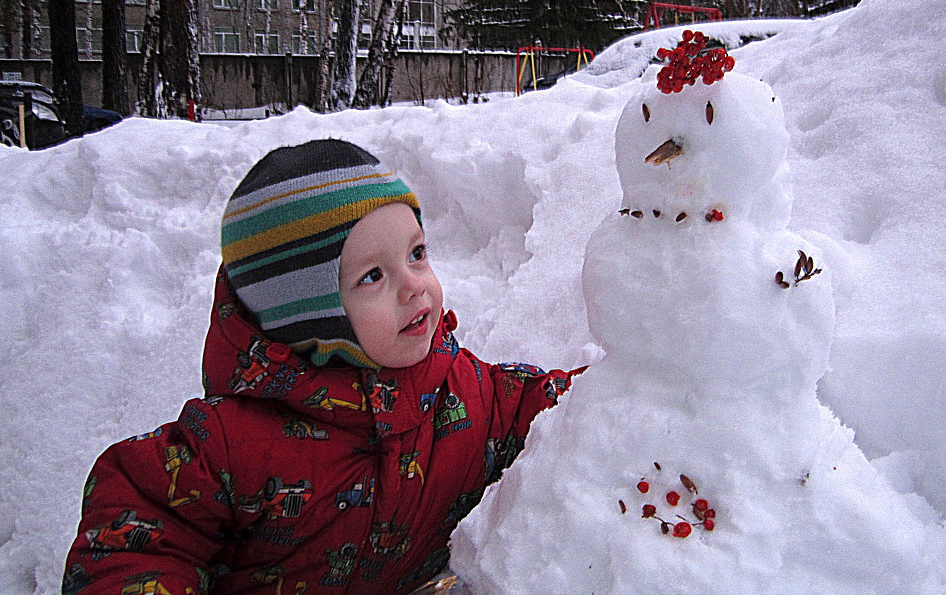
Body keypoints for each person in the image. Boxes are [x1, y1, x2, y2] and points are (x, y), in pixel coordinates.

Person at [62, 139, 581, 595]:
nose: (414, 284)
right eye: (373, 275)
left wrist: (629, 393)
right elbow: (136, 533)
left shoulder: (466, 392)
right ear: (307, 314)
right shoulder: (231, 444)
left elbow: (560, 408)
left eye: (417, 253)